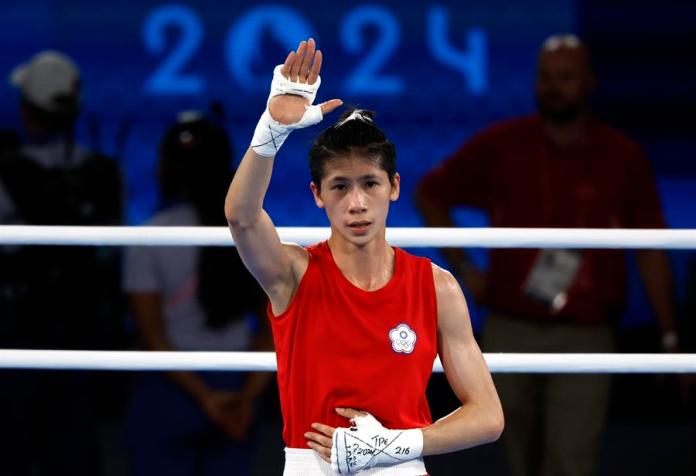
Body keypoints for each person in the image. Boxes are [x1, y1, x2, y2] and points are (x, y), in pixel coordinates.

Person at [224, 38, 504, 475]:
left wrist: (394, 445)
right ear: (317, 195)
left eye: (369, 184)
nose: (356, 203)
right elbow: (241, 218)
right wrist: (270, 134)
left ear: (393, 186)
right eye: (340, 186)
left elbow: (488, 416)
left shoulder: (437, 286)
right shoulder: (293, 273)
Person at [415, 34, 679, 476]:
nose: (553, 86)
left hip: (587, 332)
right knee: (508, 454)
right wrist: (465, 268)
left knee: (571, 460)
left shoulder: (622, 155)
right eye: (545, 77)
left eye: (565, 77)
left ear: (590, 82)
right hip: (509, 326)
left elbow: (652, 246)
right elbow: (429, 193)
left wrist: (670, 336)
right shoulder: (503, 145)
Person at [123, 114, 272, 476]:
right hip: (238, 382)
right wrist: (245, 399)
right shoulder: (252, 234)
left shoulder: (150, 236)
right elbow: (274, 328)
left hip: (173, 388)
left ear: (165, 168)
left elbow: (152, 335)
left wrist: (208, 398)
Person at [0, 50, 123, 476]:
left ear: (27, 109)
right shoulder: (102, 171)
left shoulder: (98, 172)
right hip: (59, 334)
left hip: (54, 334)